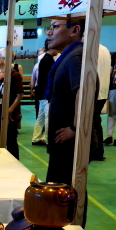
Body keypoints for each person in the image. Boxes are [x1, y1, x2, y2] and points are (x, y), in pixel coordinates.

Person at [44, 18, 86, 186]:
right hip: (61, 142)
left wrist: (75, 128)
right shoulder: (68, 56)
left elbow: (83, 92)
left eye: (55, 27)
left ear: (74, 30)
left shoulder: (75, 56)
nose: (49, 32)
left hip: (68, 145)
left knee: (66, 192)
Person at [0, 47, 23, 158]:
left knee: (11, 140)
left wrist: (10, 109)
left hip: (10, 114)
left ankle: (15, 162)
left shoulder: (15, 75)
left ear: (4, 59)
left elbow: (19, 95)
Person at [31, 47, 57, 145]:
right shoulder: (48, 60)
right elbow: (49, 78)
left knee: (41, 117)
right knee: (47, 117)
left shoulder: (44, 59)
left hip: (41, 92)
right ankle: (47, 139)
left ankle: (36, 138)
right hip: (46, 93)